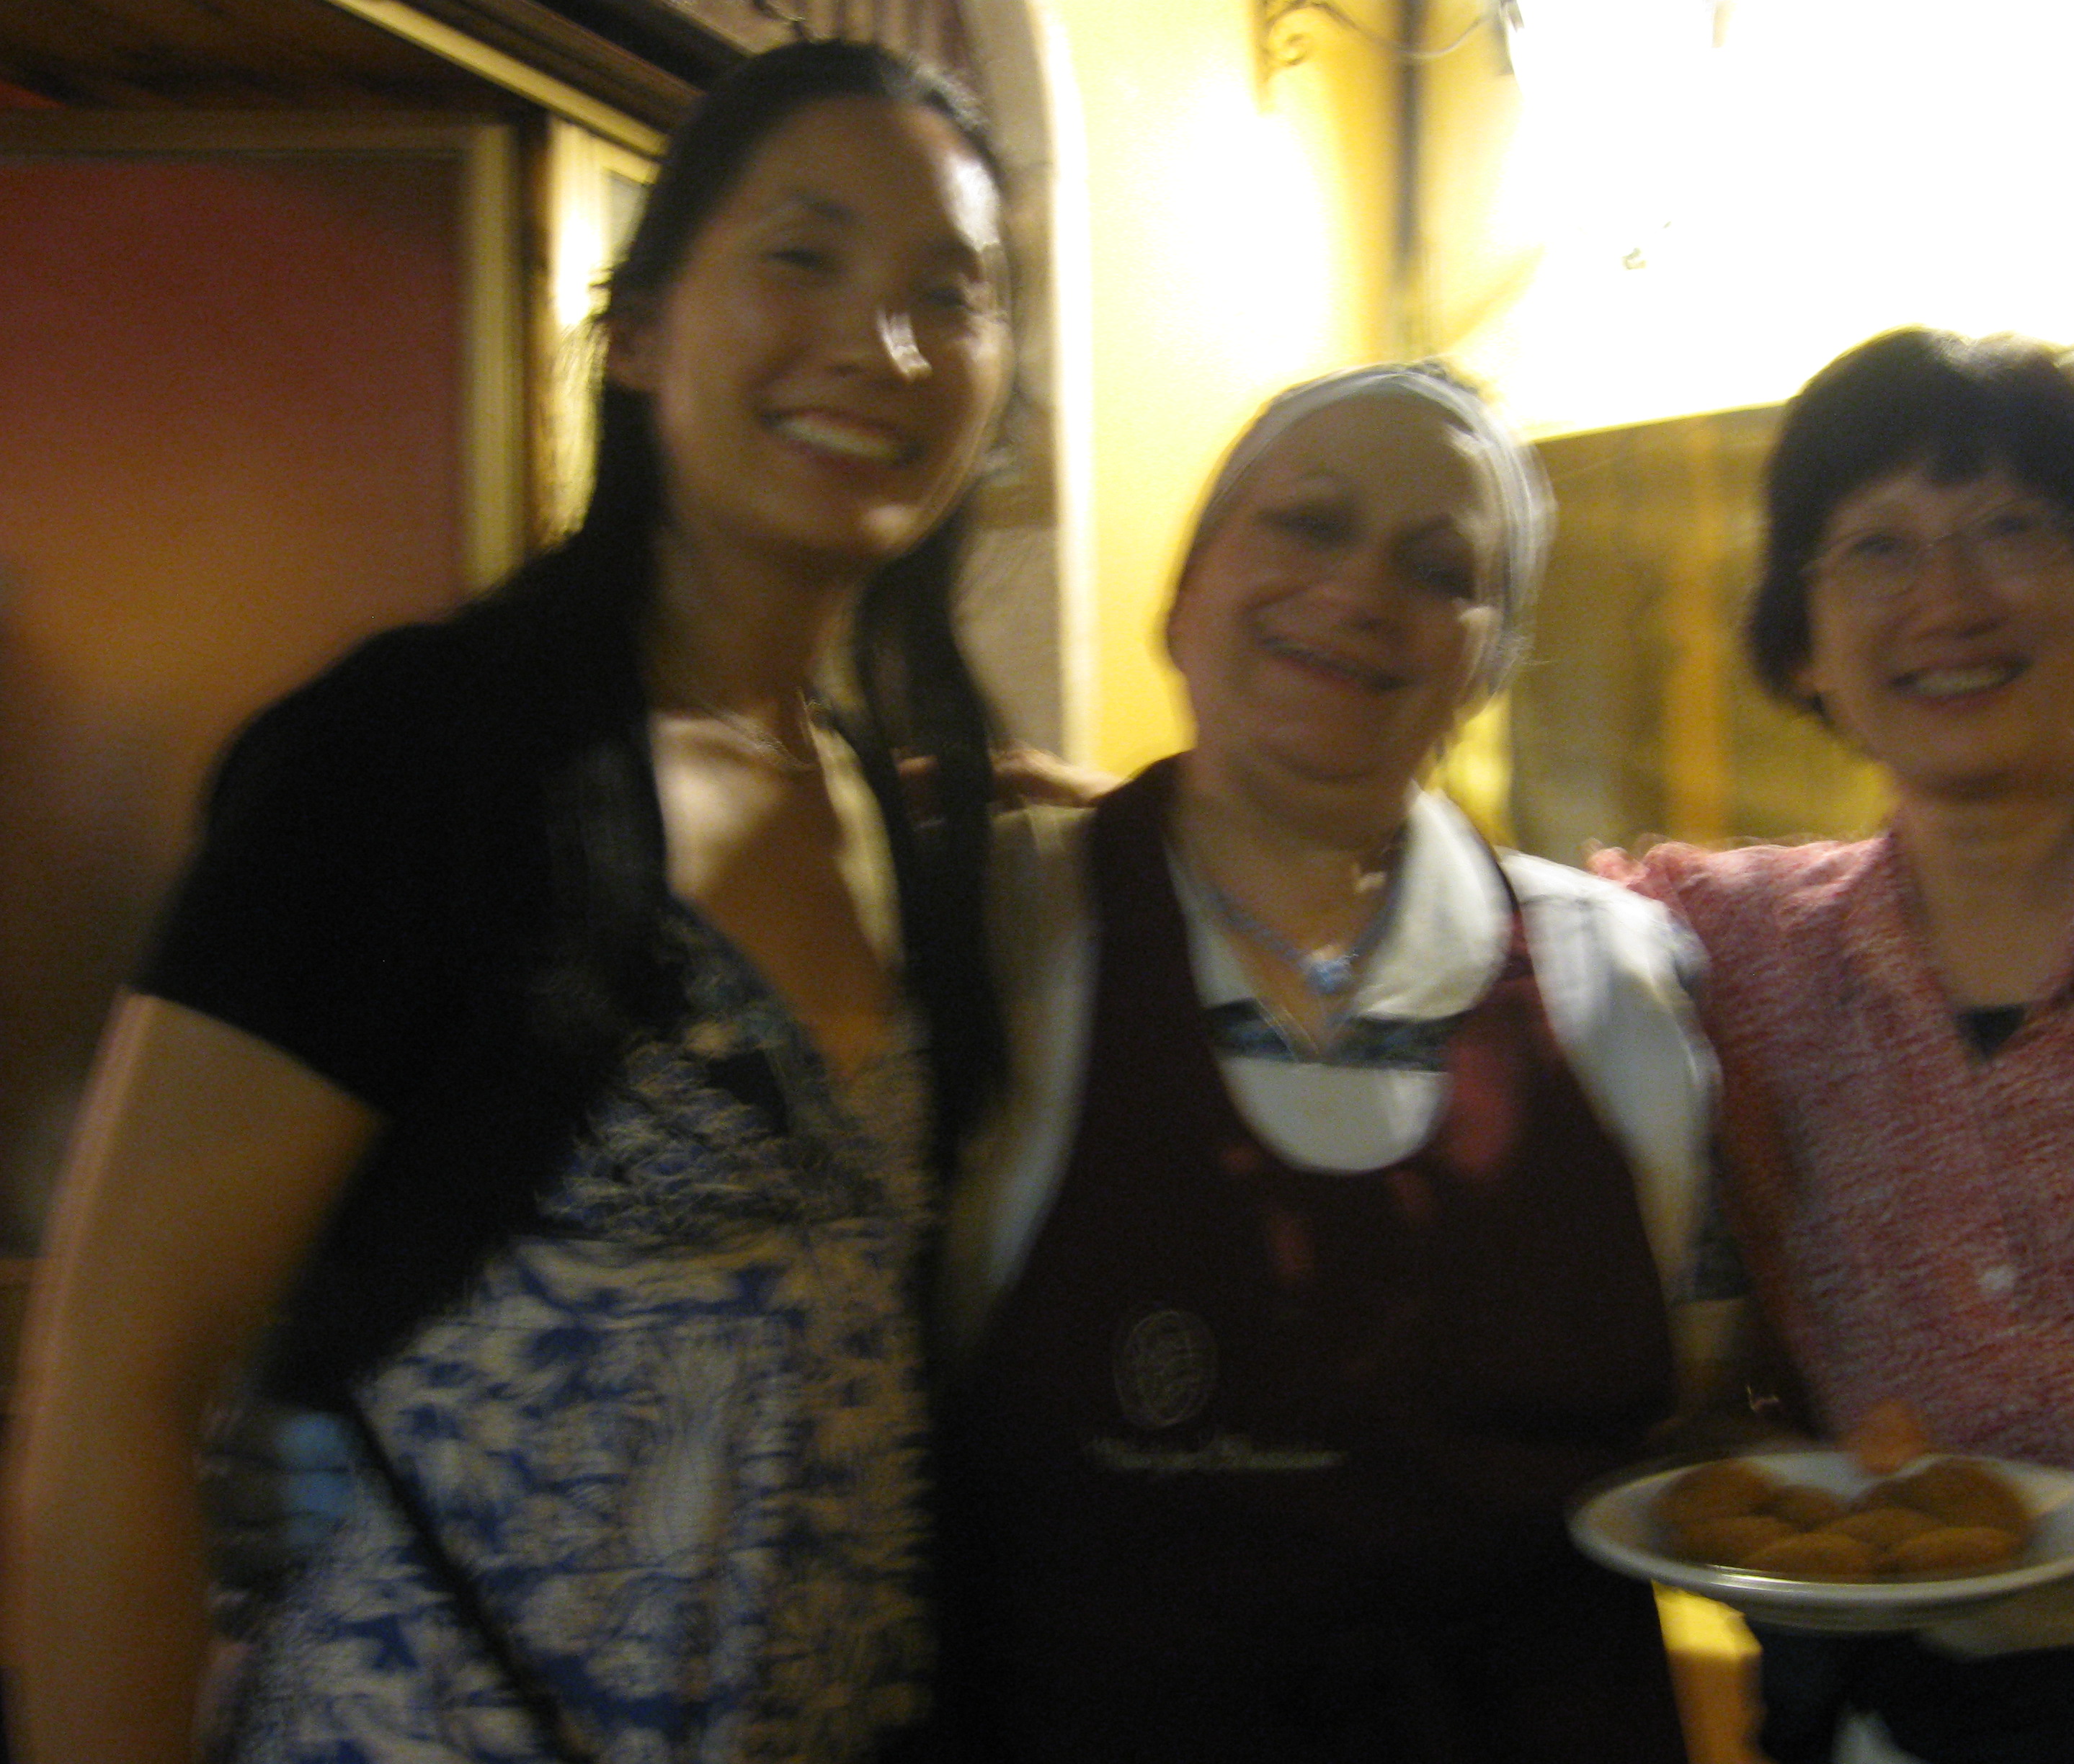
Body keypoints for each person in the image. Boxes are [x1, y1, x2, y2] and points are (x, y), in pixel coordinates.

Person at [4, 40, 1015, 1763]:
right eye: (804, 255)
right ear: (641, 332)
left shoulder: (904, 823)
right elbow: (119, 1386)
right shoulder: (412, 760)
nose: (886, 343)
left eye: (954, 293)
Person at [935, 362, 1724, 1761]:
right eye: (1309, 523)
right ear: (1183, 593)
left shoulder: (1619, 981)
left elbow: (1705, 1415)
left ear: (1489, 664)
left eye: (1439, 569)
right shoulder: (992, 934)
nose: (1360, 591)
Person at [1605, 327, 2074, 1763]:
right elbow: (1488, 925)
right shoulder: (1747, 952)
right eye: (1875, 549)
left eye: (2010, 530)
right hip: (1894, 1712)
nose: (1947, 601)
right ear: (1803, 644)